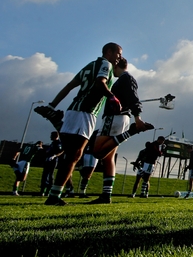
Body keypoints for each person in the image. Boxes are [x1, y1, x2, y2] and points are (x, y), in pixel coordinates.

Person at [34, 42, 123, 206]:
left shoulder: (90, 65)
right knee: (75, 155)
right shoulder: (106, 64)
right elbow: (100, 82)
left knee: (69, 155)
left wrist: (52, 104)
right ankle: (54, 196)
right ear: (109, 52)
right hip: (86, 112)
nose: (119, 58)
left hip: (71, 111)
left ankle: (54, 195)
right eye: (118, 54)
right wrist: (112, 97)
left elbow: (69, 86)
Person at [89, 57, 154, 204]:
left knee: (98, 152)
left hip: (115, 118)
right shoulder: (124, 79)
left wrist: (138, 118)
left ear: (115, 65)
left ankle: (130, 132)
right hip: (119, 118)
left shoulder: (126, 79)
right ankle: (106, 195)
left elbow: (133, 97)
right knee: (108, 158)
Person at [40, 132, 64, 196]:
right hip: (48, 159)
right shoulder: (53, 143)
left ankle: (48, 191)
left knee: (50, 175)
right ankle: (42, 191)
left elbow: (61, 151)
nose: (50, 137)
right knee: (45, 174)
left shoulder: (58, 143)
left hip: (53, 160)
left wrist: (54, 156)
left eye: (51, 136)